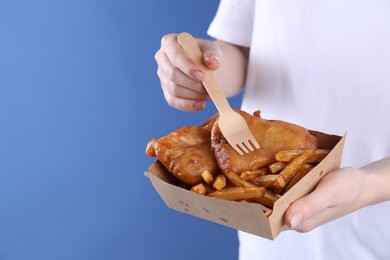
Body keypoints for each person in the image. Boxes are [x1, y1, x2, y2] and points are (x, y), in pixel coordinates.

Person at [154, 0, 390, 259]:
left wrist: (368, 185)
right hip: (266, 238)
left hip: (374, 237)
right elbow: (242, 50)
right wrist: (203, 71)